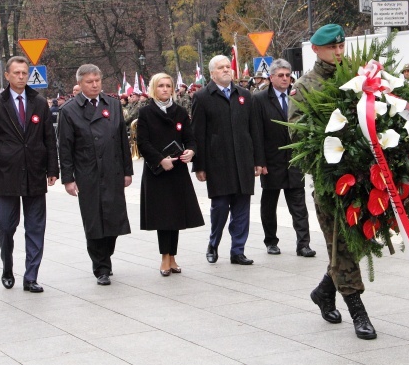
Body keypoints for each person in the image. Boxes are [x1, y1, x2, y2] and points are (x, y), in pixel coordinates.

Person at [288, 23, 376, 340]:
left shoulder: (356, 78)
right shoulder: (305, 87)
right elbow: (298, 136)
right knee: (340, 245)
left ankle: (325, 292)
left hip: (365, 178)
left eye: (341, 47)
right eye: (332, 48)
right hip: (331, 183)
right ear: (316, 49)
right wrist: (332, 158)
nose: (339, 53)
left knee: (361, 240)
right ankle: (359, 313)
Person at [0, 56, 59, 293]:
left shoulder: (39, 102)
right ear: (7, 75)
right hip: (6, 174)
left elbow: (48, 138)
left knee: (35, 227)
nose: (21, 77)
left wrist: (52, 169)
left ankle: (31, 275)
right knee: (6, 226)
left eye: (25, 73)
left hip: (34, 172)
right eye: (16, 73)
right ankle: (7, 266)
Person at [57, 64, 133, 285]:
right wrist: (68, 178)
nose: (94, 85)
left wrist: (127, 171)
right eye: (89, 82)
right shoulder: (69, 110)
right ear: (80, 84)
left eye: (97, 80)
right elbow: (65, 147)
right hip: (87, 172)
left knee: (114, 220)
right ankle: (100, 266)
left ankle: (106, 254)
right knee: (94, 221)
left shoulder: (113, 104)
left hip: (113, 170)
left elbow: (122, 141)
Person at [192, 55, 262, 266]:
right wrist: (199, 165)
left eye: (227, 67)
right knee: (220, 208)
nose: (226, 70)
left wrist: (258, 160)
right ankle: (213, 244)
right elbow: (198, 134)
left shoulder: (244, 95)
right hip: (218, 162)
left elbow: (254, 130)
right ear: (212, 73)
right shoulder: (203, 97)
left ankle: (237, 250)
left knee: (242, 209)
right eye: (221, 68)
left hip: (242, 161)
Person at [137, 73, 204, 276]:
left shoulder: (180, 111)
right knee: (162, 217)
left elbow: (190, 138)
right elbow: (143, 143)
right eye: (161, 86)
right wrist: (159, 160)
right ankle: (164, 257)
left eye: (168, 86)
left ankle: (173, 256)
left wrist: (191, 151)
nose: (165, 89)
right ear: (153, 89)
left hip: (177, 171)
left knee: (175, 216)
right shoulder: (146, 112)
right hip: (157, 172)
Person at [253, 58, 315, 257]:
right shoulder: (260, 99)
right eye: (280, 75)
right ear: (271, 78)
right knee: (269, 205)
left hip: (295, 160)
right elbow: (257, 132)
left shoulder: (298, 96)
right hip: (271, 161)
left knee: (298, 204)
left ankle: (303, 244)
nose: (285, 79)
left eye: (288, 75)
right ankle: (271, 241)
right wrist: (260, 162)